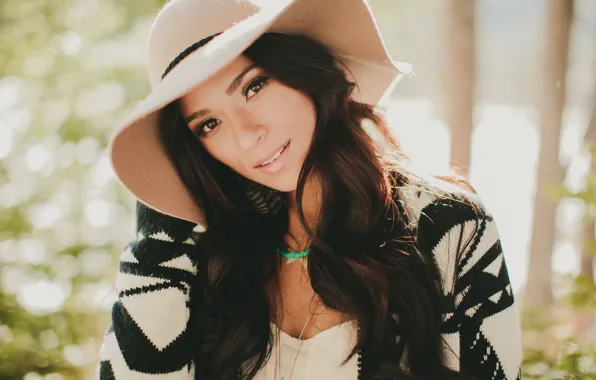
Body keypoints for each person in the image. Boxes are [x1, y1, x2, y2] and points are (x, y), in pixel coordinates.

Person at [97, 0, 523, 379]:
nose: (247, 136)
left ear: (301, 72)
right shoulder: (210, 259)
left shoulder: (448, 226)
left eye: (254, 87)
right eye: (209, 124)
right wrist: (159, 232)